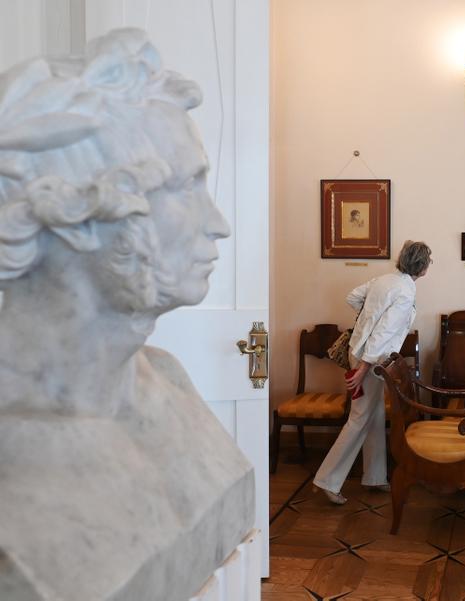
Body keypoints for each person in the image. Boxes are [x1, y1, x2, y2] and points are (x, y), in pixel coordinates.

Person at [0, 29, 253, 599]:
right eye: (185, 188)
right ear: (75, 216)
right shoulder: (16, 463)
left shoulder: (167, 381)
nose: (218, 224)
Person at [313, 240, 432, 504]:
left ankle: (375, 477)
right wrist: (364, 368)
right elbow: (384, 332)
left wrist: (368, 320)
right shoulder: (405, 292)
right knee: (359, 418)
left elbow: (353, 297)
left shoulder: (384, 280)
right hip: (371, 359)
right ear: (422, 267)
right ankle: (327, 480)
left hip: (359, 351)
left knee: (374, 414)